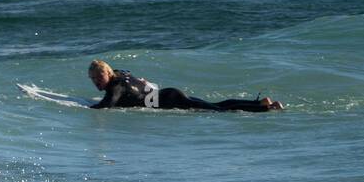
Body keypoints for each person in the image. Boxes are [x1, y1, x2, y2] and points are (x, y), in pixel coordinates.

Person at [87, 60, 282, 111]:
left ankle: (265, 108)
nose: (97, 81)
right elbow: (127, 72)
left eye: (99, 76)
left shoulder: (115, 86)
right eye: (93, 79)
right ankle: (261, 103)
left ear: (108, 73)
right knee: (218, 105)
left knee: (218, 110)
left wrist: (84, 108)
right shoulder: (121, 74)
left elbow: (107, 105)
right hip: (169, 94)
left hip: (169, 99)